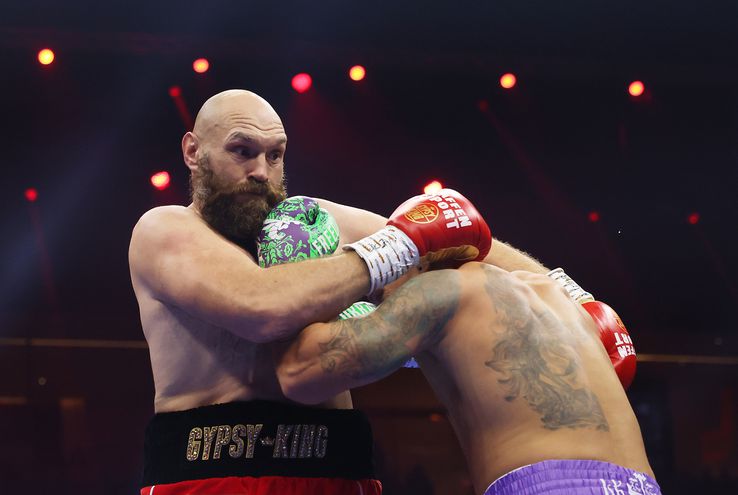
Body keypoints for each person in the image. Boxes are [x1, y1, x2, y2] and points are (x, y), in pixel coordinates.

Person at [128, 89, 543, 494]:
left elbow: (459, 240)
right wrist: (396, 247)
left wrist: (571, 295)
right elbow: (261, 306)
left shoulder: (314, 221)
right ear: (193, 152)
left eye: (275, 155)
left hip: (338, 471)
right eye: (242, 150)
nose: (261, 171)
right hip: (209, 474)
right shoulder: (164, 229)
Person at [275, 262, 655, 494]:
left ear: (414, 261)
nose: (383, 297)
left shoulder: (437, 289)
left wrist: (326, 302)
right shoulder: (556, 297)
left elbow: (299, 373)